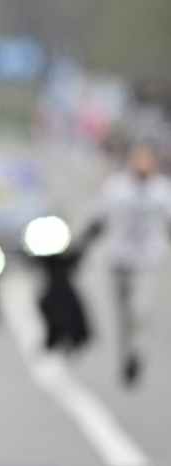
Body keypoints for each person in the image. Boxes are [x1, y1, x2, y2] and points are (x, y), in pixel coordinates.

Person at [87, 142, 171, 385]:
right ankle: (127, 354)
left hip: (147, 262)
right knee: (123, 315)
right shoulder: (116, 187)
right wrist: (79, 249)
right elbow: (99, 221)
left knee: (140, 310)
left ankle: (136, 353)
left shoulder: (162, 191)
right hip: (119, 260)